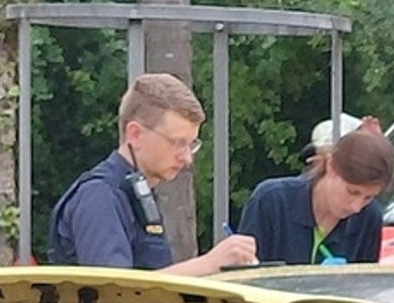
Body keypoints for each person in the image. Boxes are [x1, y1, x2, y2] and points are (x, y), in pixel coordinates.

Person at [49, 73, 256, 272]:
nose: (187, 157)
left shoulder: (136, 193)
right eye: (178, 143)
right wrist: (209, 264)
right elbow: (115, 292)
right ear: (135, 134)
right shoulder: (99, 196)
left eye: (191, 144)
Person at [239, 116, 394, 266]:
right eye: (352, 192)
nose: (356, 207)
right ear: (330, 165)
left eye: (368, 197)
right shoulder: (271, 202)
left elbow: (363, 288)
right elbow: (244, 280)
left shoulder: (369, 217)